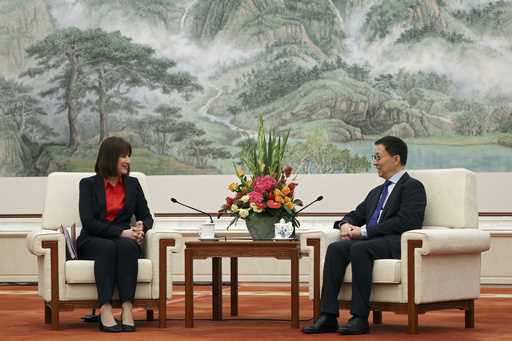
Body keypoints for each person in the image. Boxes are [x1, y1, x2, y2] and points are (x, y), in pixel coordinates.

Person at [303, 136, 427, 335]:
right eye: (373, 157)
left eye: (378, 157)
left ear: (396, 159)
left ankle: (359, 318)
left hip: (396, 242)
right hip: (373, 241)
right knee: (336, 248)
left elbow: (407, 221)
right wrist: (345, 225)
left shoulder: (413, 187)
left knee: (360, 247)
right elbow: (355, 214)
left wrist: (364, 231)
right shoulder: (377, 191)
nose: (374, 162)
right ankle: (327, 316)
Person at [77, 136, 153, 333]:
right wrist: (122, 232)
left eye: (129, 156)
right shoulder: (88, 184)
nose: (128, 160)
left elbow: (146, 216)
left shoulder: (133, 184)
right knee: (108, 246)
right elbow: (89, 222)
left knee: (127, 246)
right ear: (110, 158)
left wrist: (140, 227)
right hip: (93, 239)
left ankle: (127, 306)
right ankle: (106, 307)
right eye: (123, 156)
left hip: (123, 240)